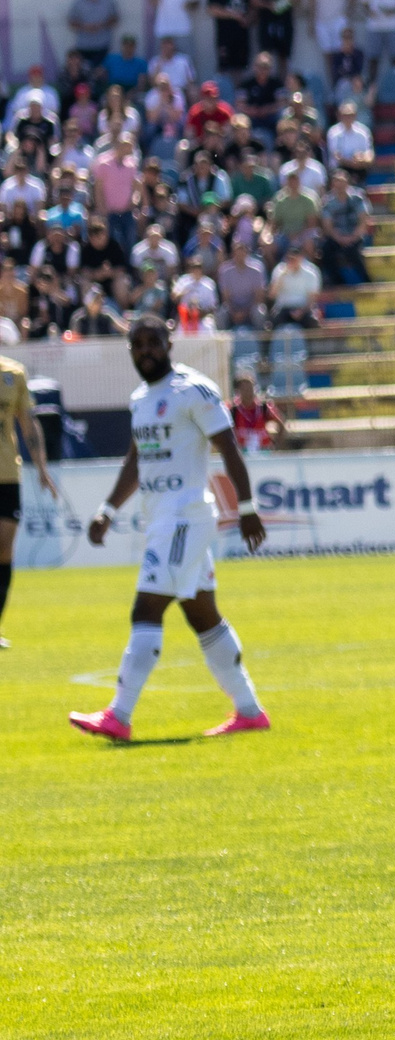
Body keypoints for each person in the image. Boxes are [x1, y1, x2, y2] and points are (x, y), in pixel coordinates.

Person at [69, 317, 273, 741]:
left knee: (146, 610)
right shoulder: (141, 398)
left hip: (186, 518)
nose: (146, 350)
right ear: (130, 350)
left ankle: (118, 715)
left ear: (169, 344)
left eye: (153, 342)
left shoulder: (193, 390)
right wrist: (108, 509)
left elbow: (229, 448)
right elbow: (136, 460)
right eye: (138, 344)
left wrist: (248, 507)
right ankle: (250, 712)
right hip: (163, 518)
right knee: (203, 616)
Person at [0, 347, 59, 646]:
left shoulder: (13, 373)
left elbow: (28, 423)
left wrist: (42, 468)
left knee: (4, 547)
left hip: (8, 473)